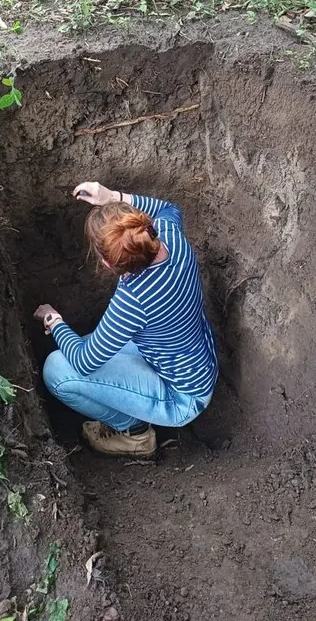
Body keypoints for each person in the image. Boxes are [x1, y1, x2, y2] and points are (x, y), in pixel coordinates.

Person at [34, 182, 217, 458]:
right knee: (89, 343)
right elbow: (169, 208)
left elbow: (85, 362)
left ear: (108, 265)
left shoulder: (134, 299)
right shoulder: (171, 237)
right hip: (195, 363)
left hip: (182, 397)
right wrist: (111, 197)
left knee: (57, 369)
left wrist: (54, 321)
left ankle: (135, 434)